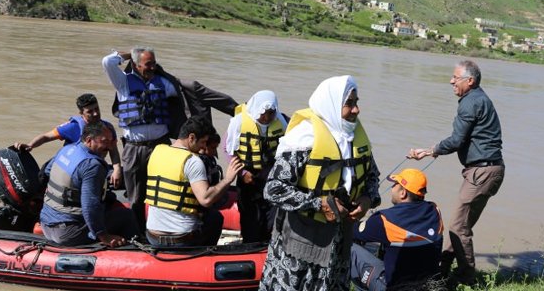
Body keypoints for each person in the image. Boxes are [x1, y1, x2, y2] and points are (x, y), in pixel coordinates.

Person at [259, 75, 381, 291]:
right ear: (332, 105)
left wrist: (367, 199)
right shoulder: (304, 137)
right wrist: (318, 203)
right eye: (349, 104)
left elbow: (372, 176)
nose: (356, 110)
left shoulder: (354, 136)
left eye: (356, 103)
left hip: (339, 242)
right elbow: (273, 189)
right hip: (301, 243)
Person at [102, 47, 237, 231]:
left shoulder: (164, 84)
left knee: (171, 187)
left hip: (162, 146)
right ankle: (139, 233)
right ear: (135, 64)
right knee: (135, 195)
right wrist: (130, 53)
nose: (152, 68)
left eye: (154, 63)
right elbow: (107, 62)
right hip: (135, 148)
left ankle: (173, 226)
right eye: (148, 64)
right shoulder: (123, 82)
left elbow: (184, 94)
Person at [408, 60, 504, 284]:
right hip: (489, 170)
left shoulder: (470, 102)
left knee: (458, 226)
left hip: (482, 172)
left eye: (456, 78)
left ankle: (465, 278)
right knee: (462, 224)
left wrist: (429, 151)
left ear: (469, 81)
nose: (451, 81)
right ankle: (442, 267)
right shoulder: (477, 98)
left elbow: (456, 140)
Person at [144, 116, 243, 247]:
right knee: (215, 218)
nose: (203, 148)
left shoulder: (157, 152)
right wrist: (228, 179)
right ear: (191, 138)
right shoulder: (193, 161)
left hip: (153, 236)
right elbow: (206, 199)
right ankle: (205, 256)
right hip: (182, 239)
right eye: (203, 142)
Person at [39, 121, 140, 247]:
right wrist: (103, 236)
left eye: (111, 141)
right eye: (105, 141)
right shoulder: (92, 166)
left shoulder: (66, 149)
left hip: (46, 223)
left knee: (108, 202)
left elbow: (47, 172)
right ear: (88, 140)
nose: (110, 147)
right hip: (68, 232)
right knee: (126, 215)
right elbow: (90, 205)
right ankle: (137, 250)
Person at [351, 168, 444, 291]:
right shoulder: (435, 211)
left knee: (351, 249)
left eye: (395, 184)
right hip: (425, 284)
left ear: (403, 193)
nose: (392, 187)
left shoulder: (384, 220)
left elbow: (354, 232)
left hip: (395, 287)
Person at [14, 93, 123, 188]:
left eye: (97, 109)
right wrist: (30, 145)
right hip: (70, 171)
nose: (95, 113)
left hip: (93, 169)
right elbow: (47, 136)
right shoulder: (73, 127)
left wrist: (117, 170)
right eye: (90, 111)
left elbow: (113, 151)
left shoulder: (107, 129)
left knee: (126, 175)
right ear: (81, 113)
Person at [225, 90, 287, 243]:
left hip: (272, 178)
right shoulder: (238, 122)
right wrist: (242, 173)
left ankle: (268, 248)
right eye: (263, 114)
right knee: (250, 222)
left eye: (271, 113)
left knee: (272, 222)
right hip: (247, 178)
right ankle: (250, 245)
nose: (266, 118)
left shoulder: (283, 122)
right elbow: (228, 150)